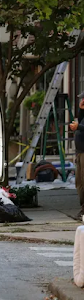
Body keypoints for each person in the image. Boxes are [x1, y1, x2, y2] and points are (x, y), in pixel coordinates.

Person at [70, 92, 84, 220]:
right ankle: (82, 209)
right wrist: (81, 110)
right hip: (80, 152)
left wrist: (78, 126)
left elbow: (81, 125)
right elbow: (81, 121)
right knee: (79, 182)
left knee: (83, 181)